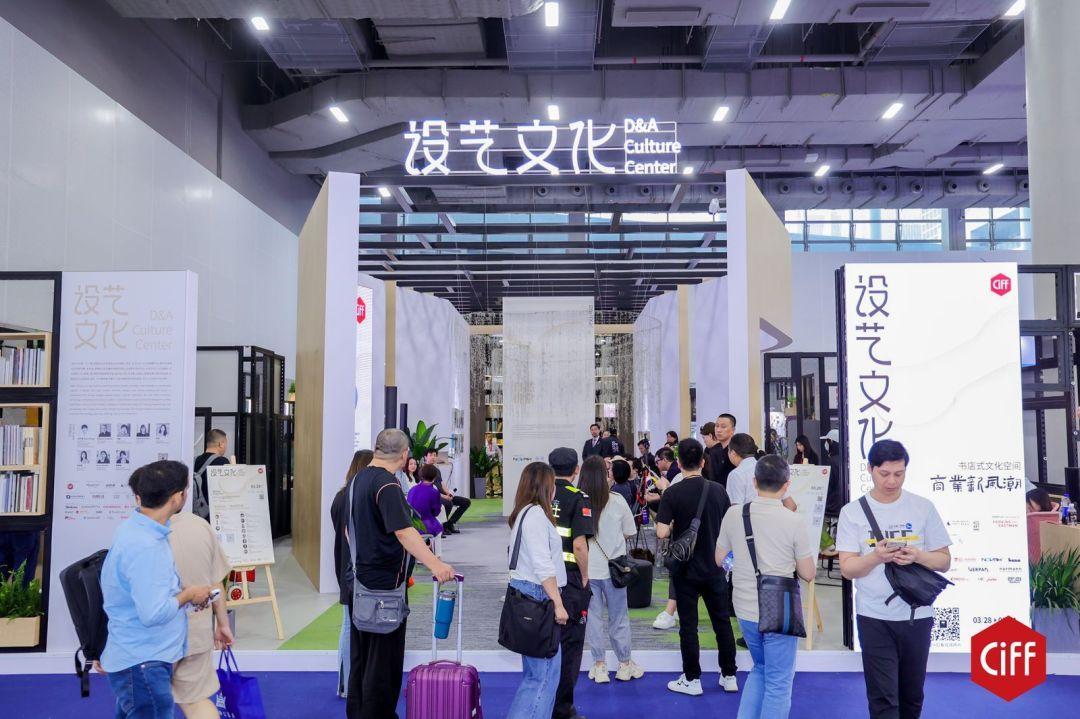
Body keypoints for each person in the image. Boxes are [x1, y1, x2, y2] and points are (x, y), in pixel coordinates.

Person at [837, 439, 952, 719]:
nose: (892, 481)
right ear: (870, 469)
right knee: (883, 699)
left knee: (912, 696)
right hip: (873, 615)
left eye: (899, 474)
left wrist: (918, 556)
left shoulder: (922, 507)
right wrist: (876, 557)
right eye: (884, 473)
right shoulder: (852, 512)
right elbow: (847, 569)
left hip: (917, 614)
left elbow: (944, 562)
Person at [346, 430, 455, 719]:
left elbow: (348, 530)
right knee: (383, 664)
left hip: (361, 582)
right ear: (405, 454)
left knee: (363, 658)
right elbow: (405, 532)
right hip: (385, 589)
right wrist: (436, 564)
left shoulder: (358, 479)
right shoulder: (387, 484)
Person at [99, 461, 215, 719]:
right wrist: (187, 595)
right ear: (177, 497)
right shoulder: (146, 546)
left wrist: (186, 593)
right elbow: (153, 614)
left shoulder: (138, 529)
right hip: (143, 663)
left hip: (140, 659)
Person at [716, 456, 816, 719]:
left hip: (745, 608)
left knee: (760, 668)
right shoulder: (793, 521)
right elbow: (808, 573)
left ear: (754, 482)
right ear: (786, 485)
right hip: (780, 610)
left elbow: (719, 558)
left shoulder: (734, 514)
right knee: (779, 682)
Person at [656, 438, 738, 697]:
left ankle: (692, 679)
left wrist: (673, 522)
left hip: (685, 570)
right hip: (715, 567)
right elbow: (728, 526)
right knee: (722, 622)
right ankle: (729, 675)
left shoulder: (672, 493)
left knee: (689, 626)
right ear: (703, 462)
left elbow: (661, 532)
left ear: (679, 463)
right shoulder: (718, 490)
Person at [505, 462, 569, 718]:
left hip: (528, 594)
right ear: (545, 487)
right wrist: (558, 604)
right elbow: (543, 566)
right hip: (538, 597)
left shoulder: (525, 513)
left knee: (537, 674)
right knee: (543, 677)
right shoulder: (536, 516)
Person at [576, 457, 643, 684]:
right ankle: (624, 665)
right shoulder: (617, 500)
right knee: (619, 617)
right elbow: (630, 531)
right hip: (615, 570)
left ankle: (599, 666)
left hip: (586, 570)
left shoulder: (578, 502)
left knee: (593, 619)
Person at [167, 509, 233, 719]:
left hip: (155, 637)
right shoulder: (201, 526)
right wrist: (223, 624)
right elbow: (216, 583)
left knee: (146, 704)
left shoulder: (137, 534)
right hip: (196, 632)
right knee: (195, 702)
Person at [548, 447, 594, 719]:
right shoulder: (579, 498)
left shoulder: (540, 494)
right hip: (570, 580)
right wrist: (585, 578)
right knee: (570, 645)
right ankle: (562, 709)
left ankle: (543, 703)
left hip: (543, 579)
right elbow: (579, 545)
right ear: (576, 470)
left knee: (544, 643)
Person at [331, 449, 374, 698]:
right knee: (350, 625)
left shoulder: (341, 496)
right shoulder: (355, 497)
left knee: (349, 624)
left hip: (344, 565)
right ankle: (348, 683)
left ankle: (346, 681)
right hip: (355, 569)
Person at [727, 434, 797, 511]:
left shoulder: (736, 474)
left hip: (751, 518)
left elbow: (735, 510)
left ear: (733, 452)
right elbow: (791, 506)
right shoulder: (768, 468)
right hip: (774, 516)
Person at [425, 448, 471, 534]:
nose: (433, 457)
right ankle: (442, 526)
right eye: (430, 455)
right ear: (425, 457)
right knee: (448, 503)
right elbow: (429, 490)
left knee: (466, 502)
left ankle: (450, 524)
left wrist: (448, 493)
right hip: (434, 496)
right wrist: (445, 497)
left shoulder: (436, 470)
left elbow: (442, 484)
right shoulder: (424, 471)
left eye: (434, 455)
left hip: (443, 495)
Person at [193, 429, 231, 520]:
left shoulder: (195, 460)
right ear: (221, 444)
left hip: (196, 511)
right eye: (226, 444)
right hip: (213, 514)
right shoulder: (222, 461)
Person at [408, 464, 445, 537]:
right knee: (439, 529)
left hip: (410, 524)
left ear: (421, 475)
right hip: (426, 525)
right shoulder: (434, 491)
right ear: (434, 477)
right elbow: (436, 512)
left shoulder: (412, 489)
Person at [706, 414, 737, 487]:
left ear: (733, 430)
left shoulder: (737, 451)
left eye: (723, 427)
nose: (718, 430)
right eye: (717, 426)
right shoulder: (713, 450)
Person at [821, 429, 844, 518]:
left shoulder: (831, 461)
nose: (826, 444)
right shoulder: (845, 459)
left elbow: (828, 485)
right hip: (844, 504)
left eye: (827, 441)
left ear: (831, 441)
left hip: (832, 507)